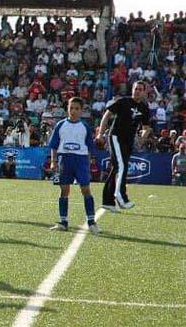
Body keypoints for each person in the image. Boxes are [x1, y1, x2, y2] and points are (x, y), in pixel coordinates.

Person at [96, 81, 151, 212]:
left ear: (144, 92)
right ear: (132, 89)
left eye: (140, 89)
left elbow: (146, 128)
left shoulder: (144, 108)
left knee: (117, 168)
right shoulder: (123, 102)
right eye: (135, 88)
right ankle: (121, 196)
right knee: (122, 166)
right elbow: (107, 115)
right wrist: (100, 134)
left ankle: (108, 201)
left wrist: (142, 138)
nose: (137, 91)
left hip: (129, 141)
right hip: (115, 136)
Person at [48, 97, 99, 235]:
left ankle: (91, 221)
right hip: (64, 159)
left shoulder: (85, 127)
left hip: (81, 161)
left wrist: (87, 164)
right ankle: (63, 221)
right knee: (64, 190)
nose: (73, 111)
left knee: (85, 190)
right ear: (67, 109)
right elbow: (53, 146)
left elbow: (89, 147)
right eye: (71, 108)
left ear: (81, 111)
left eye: (77, 108)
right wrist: (53, 161)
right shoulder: (60, 125)